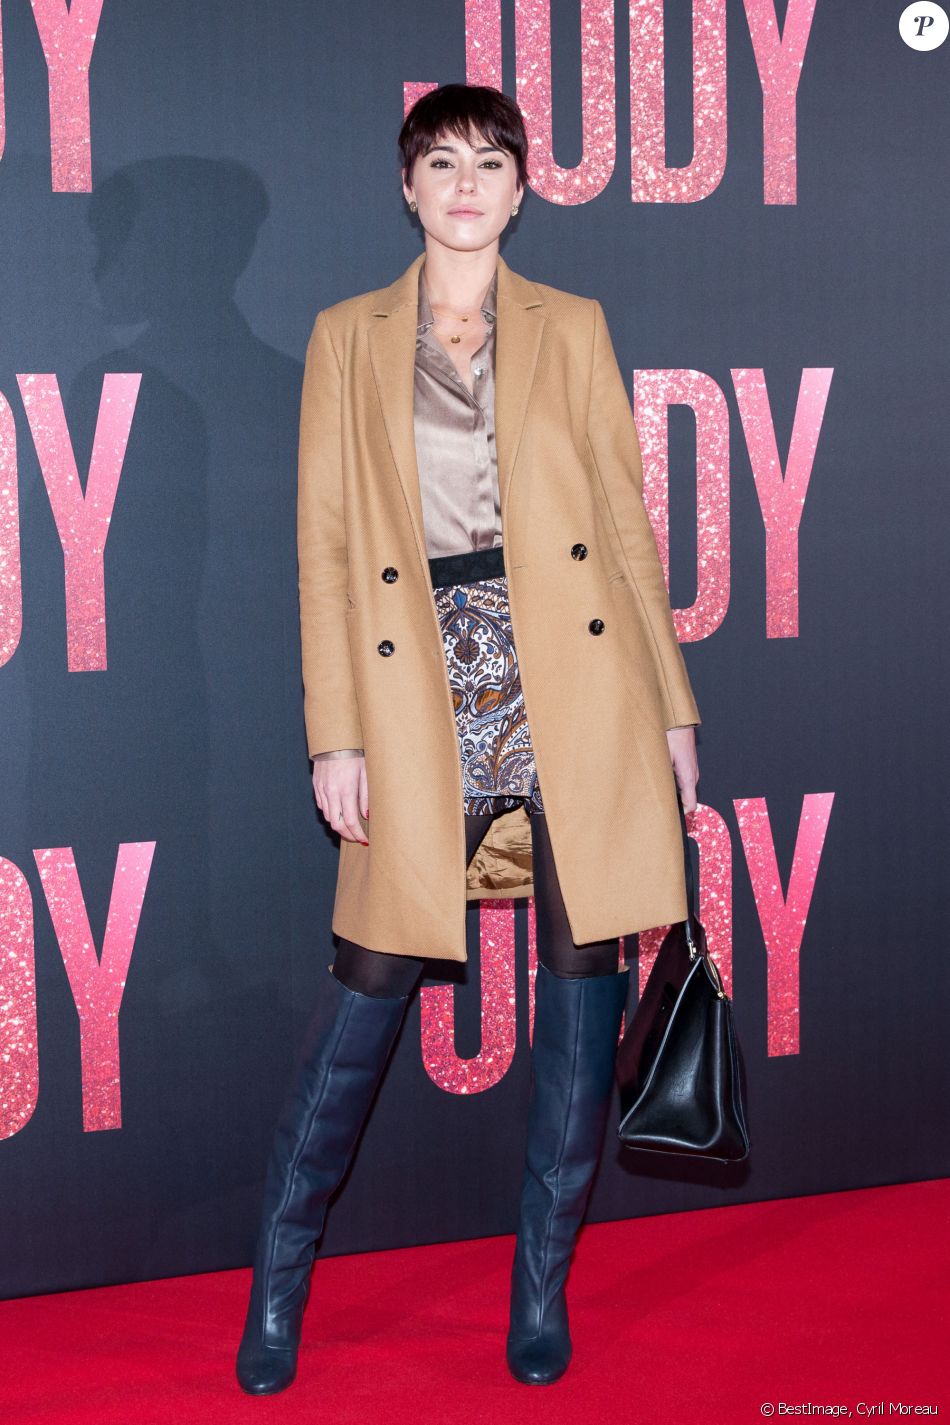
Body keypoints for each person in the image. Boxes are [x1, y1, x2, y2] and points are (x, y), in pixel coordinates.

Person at [236, 83, 701, 1395]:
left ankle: (538, 1291)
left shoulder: (573, 326)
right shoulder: (346, 337)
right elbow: (326, 555)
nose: (463, 185)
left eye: (488, 163)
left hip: (576, 685)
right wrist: (336, 733)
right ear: (406, 184)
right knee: (366, 994)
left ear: (518, 188)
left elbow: (623, 526)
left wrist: (669, 708)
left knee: (577, 995)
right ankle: (276, 1287)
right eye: (441, 162)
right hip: (415, 692)